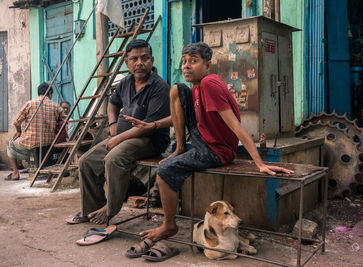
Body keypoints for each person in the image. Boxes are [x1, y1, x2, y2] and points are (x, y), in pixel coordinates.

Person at [125, 42, 294, 242]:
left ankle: (169, 226)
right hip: (202, 139)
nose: (187, 66)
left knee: (164, 172)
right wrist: (151, 125)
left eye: (194, 61)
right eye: (184, 61)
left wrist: (259, 163)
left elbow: (236, 126)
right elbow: (178, 117)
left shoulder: (208, 84)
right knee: (177, 90)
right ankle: (179, 147)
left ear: (208, 66)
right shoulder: (196, 87)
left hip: (216, 150)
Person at [66, 39, 170, 225]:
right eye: (134, 59)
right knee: (86, 161)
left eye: (144, 58)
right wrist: (113, 124)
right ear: (126, 62)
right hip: (122, 138)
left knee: (114, 158)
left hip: (150, 139)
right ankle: (91, 209)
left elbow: (147, 126)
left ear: (152, 60)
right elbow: (113, 103)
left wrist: (118, 138)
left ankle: (110, 209)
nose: (140, 63)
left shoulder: (159, 87)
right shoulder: (126, 82)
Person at [5, 82, 63, 180]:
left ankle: (15, 173)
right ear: (50, 94)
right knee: (30, 147)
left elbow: (16, 122)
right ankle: (33, 167)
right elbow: (64, 121)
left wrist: (19, 132)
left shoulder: (29, 104)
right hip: (48, 143)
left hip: (31, 143)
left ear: (39, 93)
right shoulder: (56, 106)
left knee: (10, 145)